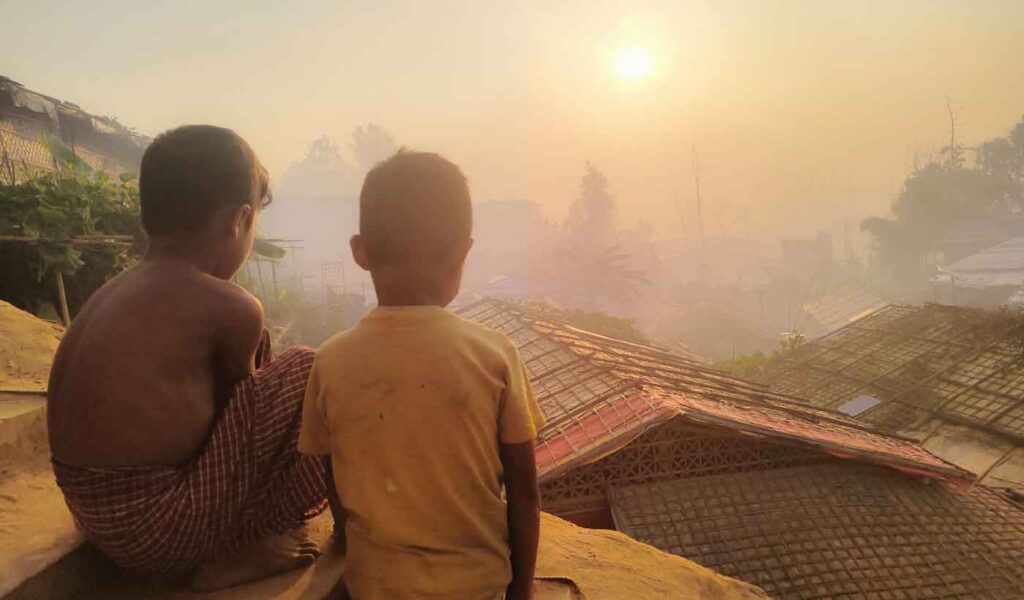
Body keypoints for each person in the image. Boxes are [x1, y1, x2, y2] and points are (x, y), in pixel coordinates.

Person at [48, 125, 333, 591]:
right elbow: (237, 429)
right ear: (238, 221)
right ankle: (232, 555)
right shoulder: (232, 307)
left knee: (263, 360)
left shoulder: (113, 293)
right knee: (312, 368)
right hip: (158, 534)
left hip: (96, 518)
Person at [299, 150, 544, 600]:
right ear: (463, 252)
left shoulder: (330, 360)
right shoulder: (494, 354)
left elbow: (334, 478)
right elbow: (525, 494)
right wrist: (522, 591)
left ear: (361, 253)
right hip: (478, 589)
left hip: (374, 587)